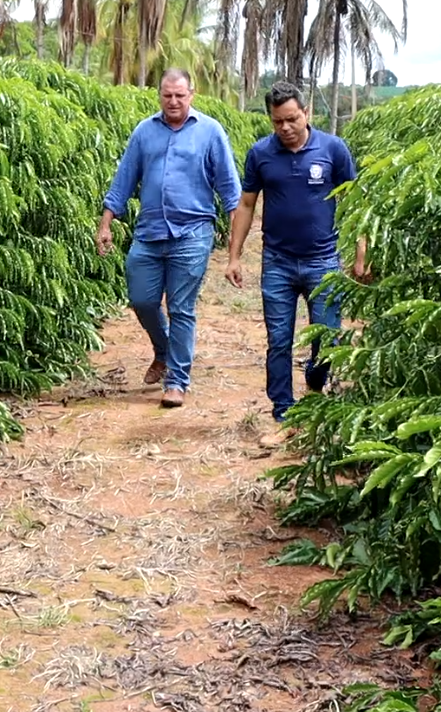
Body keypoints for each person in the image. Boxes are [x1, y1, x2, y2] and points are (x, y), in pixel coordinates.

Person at [226, 80, 370, 448]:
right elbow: (246, 205)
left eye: (292, 119)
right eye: (278, 122)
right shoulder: (260, 154)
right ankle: (284, 415)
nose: (286, 128)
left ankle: (316, 396)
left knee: (326, 338)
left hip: (323, 260)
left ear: (308, 113)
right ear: (270, 120)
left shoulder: (333, 150)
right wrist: (234, 255)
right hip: (277, 262)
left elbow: (354, 203)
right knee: (278, 341)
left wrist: (360, 254)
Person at [98, 69, 242, 408]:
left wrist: (235, 249)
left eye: (180, 95)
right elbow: (123, 180)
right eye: (167, 95)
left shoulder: (209, 132)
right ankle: (163, 350)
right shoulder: (144, 132)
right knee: (142, 300)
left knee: (181, 308)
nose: (173, 101)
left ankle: (177, 380)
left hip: (193, 233)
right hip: (149, 233)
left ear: (192, 94)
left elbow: (230, 189)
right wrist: (105, 223)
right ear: (159, 95)